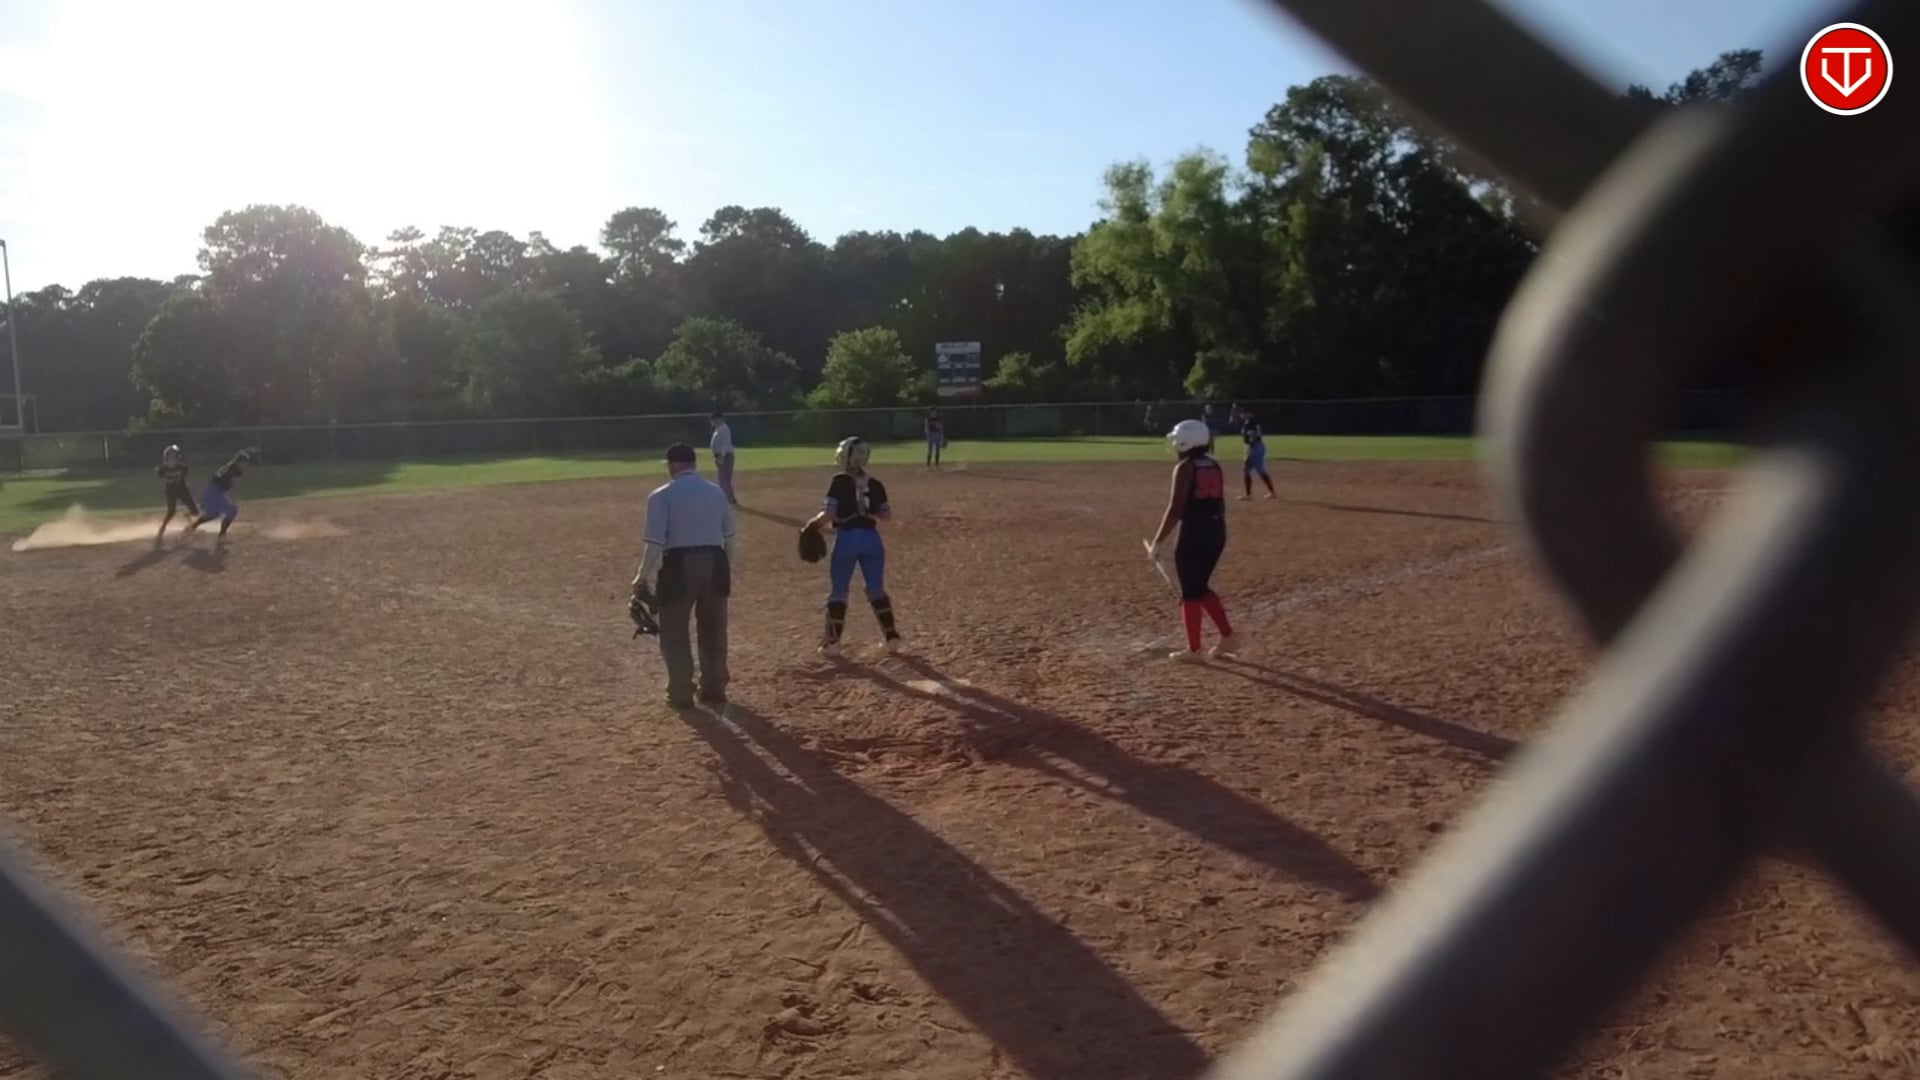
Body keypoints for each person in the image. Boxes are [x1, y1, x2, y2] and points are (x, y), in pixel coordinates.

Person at [633, 443, 738, 709]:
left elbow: (655, 543)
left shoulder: (661, 496)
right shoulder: (717, 492)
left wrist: (642, 576)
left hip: (679, 565)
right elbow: (729, 537)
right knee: (714, 629)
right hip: (716, 560)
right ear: (693, 464)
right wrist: (727, 568)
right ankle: (714, 687)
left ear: (672, 465)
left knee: (674, 630)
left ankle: (681, 692)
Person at [1147, 419, 1240, 662]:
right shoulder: (1213, 464)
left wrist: (1158, 542)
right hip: (1216, 530)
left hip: (1194, 533)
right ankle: (1228, 636)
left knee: (1190, 591)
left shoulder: (1185, 468)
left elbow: (1175, 510)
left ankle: (1194, 650)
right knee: (1198, 587)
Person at [802, 436, 903, 657]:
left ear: (846, 456)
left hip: (847, 539)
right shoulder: (875, 484)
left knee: (839, 591)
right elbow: (886, 515)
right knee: (875, 588)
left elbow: (828, 513)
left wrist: (812, 525)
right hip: (872, 540)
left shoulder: (839, 481)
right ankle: (892, 637)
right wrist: (867, 509)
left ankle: (832, 644)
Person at [184, 448, 256, 541]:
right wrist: (231, 499)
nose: (245, 465)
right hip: (214, 493)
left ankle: (192, 526)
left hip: (210, 491)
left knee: (213, 514)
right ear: (239, 462)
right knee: (232, 511)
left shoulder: (229, 467)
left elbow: (218, 481)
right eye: (244, 462)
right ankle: (222, 535)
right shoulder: (235, 470)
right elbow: (233, 487)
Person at [155, 445, 199, 542]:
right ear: (166, 457)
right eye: (170, 456)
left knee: (195, 511)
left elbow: (187, 478)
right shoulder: (163, 468)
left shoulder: (182, 467)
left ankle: (187, 518)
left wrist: (191, 488)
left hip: (182, 490)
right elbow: (159, 478)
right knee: (171, 511)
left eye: (174, 456)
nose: (172, 458)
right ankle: (163, 527)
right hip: (171, 491)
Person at [1238, 405, 1275, 500]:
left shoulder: (1251, 423)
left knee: (1250, 468)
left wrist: (1250, 451)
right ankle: (1270, 493)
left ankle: (1249, 495)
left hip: (1255, 447)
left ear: (1249, 413)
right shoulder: (1250, 422)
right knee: (1250, 469)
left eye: (1244, 413)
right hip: (1256, 447)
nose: (1242, 415)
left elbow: (1253, 437)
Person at [709, 411, 737, 505]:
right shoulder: (719, 429)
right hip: (722, 456)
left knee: (723, 479)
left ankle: (728, 499)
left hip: (725, 456)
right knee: (724, 479)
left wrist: (722, 456)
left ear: (719, 419)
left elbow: (725, 444)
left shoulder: (724, 429)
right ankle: (730, 498)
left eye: (713, 420)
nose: (712, 422)